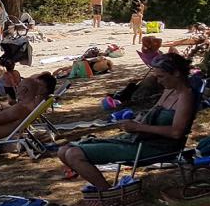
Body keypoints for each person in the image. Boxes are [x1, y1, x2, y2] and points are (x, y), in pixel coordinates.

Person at [59, 53, 195, 189]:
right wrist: (139, 119)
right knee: (63, 150)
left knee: (74, 154)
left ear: (176, 73)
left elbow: (177, 132)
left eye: (161, 76)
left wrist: (138, 128)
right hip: (140, 139)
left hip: (156, 147)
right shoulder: (169, 90)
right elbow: (153, 112)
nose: (158, 81)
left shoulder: (185, 96)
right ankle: (110, 193)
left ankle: (110, 195)